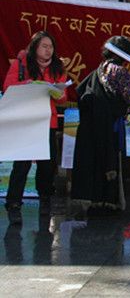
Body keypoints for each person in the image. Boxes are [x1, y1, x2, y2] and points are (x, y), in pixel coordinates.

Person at [72, 36, 130, 216]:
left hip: (94, 124)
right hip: (110, 124)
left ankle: (95, 200)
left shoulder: (100, 68)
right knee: (111, 158)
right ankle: (109, 202)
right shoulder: (120, 71)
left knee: (96, 160)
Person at [3, 31, 68, 224]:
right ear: (35, 47)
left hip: (48, 121)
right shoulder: (21, 64)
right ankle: (14, 203)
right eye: (44, 46)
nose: (48, 50)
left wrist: (58, 93)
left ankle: (45, 198)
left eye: (51, 47)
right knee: (21, 164)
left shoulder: (58, 67)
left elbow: (63, 97)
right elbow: (8, 87)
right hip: (27, 120)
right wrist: (28, 84)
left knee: (47, 165)